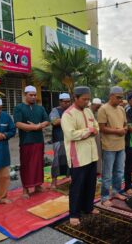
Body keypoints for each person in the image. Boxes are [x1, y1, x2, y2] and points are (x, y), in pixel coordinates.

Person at [61, 86, 100, 226]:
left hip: (91, 154)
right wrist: (89, 131)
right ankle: (74, 214)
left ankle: (88, 207)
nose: (87, 102)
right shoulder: (68, 115)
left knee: (91, 184)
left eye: (88, 99)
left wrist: (90, 130)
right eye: (84, 99)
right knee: (77, 186)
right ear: (75, 98)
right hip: (78, 155)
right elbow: (71, 134)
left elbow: (97, 127)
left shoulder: (89, 111)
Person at [14, 85, 50, 198]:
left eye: (35, 95)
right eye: (31, 95)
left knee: (39, 163)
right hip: (26, 141)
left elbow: (47, 121)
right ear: (25, 95)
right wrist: (35, 128)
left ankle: (38, 185)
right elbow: (18, 123)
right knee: (26, 165)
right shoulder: (19, 108)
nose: (33, 97)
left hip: (39, 140)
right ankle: (25, 189)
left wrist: (39, 125)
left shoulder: (40, 108)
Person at [98, 86, 128, 206]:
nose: (120, 100)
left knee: (120, 172)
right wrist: (117, 131)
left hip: (121, 145)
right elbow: (102, 128)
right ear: (111, 96)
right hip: (109, 146)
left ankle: (116, 192)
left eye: (122, 97)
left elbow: (126, 124)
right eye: (118, 97)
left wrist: (124, 129)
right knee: (107, 174)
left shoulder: (121, 109)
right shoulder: (103, 109)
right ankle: (104, 197)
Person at [49, 93, 71, 189]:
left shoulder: (71, 110)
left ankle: (69, 177)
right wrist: (68, 119)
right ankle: (54, 182)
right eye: (65, 102)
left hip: (70, 138)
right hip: (59, 138)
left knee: (70, 159)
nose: (67, 104)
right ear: (60, 102)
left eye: (68, 102)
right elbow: (54, 121)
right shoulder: (55, 110)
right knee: (57, 160)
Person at [91, 98, 103, 174]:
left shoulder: (99, 112)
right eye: (97, 107)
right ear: (93, 105)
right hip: (90, 134)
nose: (98, 108)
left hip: (98, 135)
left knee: (98, 152)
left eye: (99, 107)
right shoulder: (88, 111)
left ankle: (97, 170)